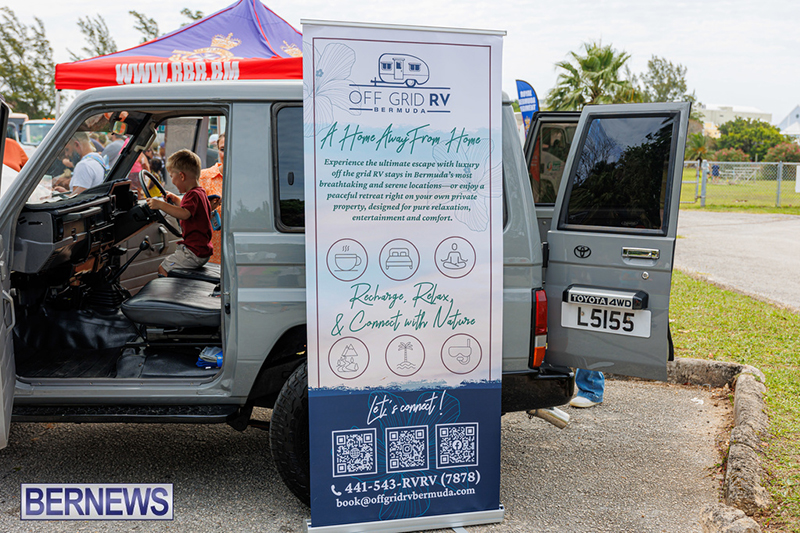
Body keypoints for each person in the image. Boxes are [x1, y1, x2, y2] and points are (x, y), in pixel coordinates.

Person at [146, 149, 212, 277]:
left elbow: (185, 213)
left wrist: (160, 205)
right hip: (200, 251)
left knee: (163, 269)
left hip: (193, 253)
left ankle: (169, 296)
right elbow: (189, 209)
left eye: (172, 176)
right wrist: (176, 199)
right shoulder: (199, 193)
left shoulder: (192, 195)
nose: (172, 181)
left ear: (182, 176)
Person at [199, 132, 224, 264]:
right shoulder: (204, 177)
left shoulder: (248, 180)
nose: (226, 154)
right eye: (223, 149)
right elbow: (190, 211)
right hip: (210, 257)